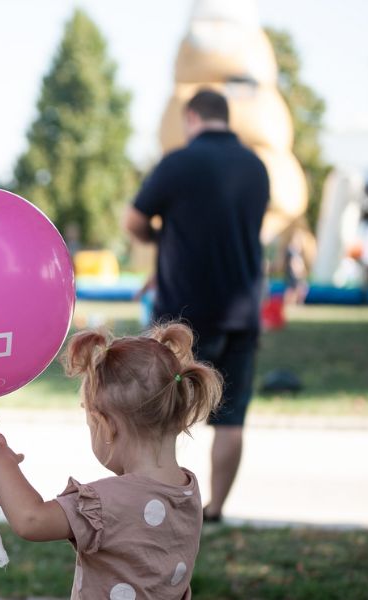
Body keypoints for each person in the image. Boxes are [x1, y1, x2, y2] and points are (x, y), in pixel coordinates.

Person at [0, 324, 222, 599]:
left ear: (107, 426)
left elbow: (32, 519)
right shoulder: (187, 491)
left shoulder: (109, 503)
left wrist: (0, 462)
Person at [124, 89, 269, 523]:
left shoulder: (178, 163)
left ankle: (158, 506)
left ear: (192, 117)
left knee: (159, 414)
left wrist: (160, 244)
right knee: (231, 418)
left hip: (181, 316)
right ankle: (217, 509)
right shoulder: (256, 168)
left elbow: (133, 221)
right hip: (242, 310)